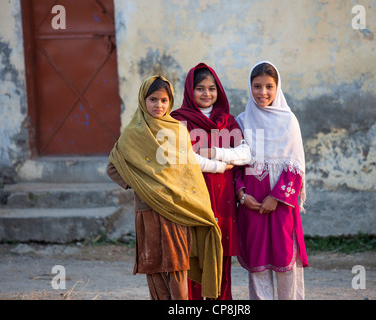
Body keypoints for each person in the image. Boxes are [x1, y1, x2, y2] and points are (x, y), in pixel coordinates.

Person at [106, 75, 223, 300]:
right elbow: (113, 167)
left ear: (170, 102)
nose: (158, 105)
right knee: (154, 266)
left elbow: (187, 171)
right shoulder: (132, 133)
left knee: (178, 265)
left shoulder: (177, 130)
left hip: (175, 211)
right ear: (143, 100)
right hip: (147, 210)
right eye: (152, 99)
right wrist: (141, 185)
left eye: (164, 100)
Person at [171, 63, 251, 300]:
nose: (207, 94)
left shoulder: (227, 121)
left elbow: (246, 154)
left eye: (212, 88)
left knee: (222, 261)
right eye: (200, 89)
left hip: (224, 201)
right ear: (189, 91)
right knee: (194, 258)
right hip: (194, 200)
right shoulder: (178, 121)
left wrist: (213, 152)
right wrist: (222, 165)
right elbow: (184, 160)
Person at [235, 61, 308, 300]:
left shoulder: (289, 122)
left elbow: (295, 167)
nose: (262, 92)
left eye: (269, 86)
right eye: (257, 86)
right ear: (250, 87)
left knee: (286, 261)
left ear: (277, 88)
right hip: (252, 205)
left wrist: (276, 198)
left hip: (281, 206)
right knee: (258, 265)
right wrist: (242, 195)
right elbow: (235, 167)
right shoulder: (242, 122)